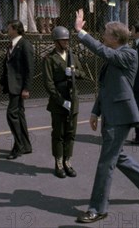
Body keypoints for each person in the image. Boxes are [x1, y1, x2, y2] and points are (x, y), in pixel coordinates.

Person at [74, 9, 139, 224]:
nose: (103, 37)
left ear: (115, 37)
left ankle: (97, 208)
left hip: (121, 116)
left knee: (106, 163)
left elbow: (104, 52)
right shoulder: (115, 56)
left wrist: (81, 32)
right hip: (111, 114)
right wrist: (95, 111)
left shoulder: (128, 54)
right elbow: (106, 88)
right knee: (116, 156)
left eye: (105, 34)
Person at [43, 26, 87, 178]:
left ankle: (68, 162)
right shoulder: (49, 59)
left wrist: (74, 72)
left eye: (67, 39)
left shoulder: (72, 56)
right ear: (56, 42)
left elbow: (83, 74)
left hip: (73, 100)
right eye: (63, 40)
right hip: (58, 102)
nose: (66, 42)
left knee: (71, 133)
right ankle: (59, 163)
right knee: (58, 134)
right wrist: (61, 101)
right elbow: (49, 84)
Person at [0, 20, 34, 159]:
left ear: (16, 30)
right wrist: (1, 83)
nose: (7, 30)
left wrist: (26, 88)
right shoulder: (11, 45)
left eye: (9, 28)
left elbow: (30, 69)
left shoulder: (24, 45)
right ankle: (26, 145)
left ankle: (18, 146)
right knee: (19, 115)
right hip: (12, 86)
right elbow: (7, 67)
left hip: (19, 86)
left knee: (11, 115)